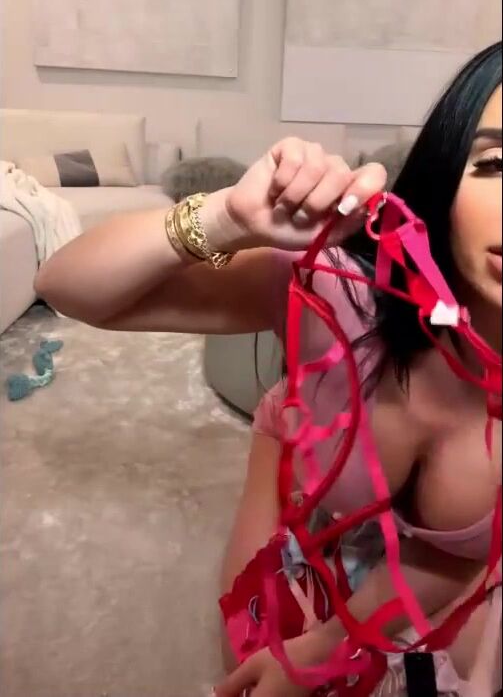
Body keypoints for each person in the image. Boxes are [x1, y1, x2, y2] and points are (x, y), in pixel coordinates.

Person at [35, 42, 502, 697]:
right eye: (496, 163)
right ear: (445, 173)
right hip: (298, 469)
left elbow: (449, 557)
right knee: (250, 650)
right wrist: (226, 217)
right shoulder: (345, 293)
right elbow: (67, 287)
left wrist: (323, 648)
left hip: (444, 561)